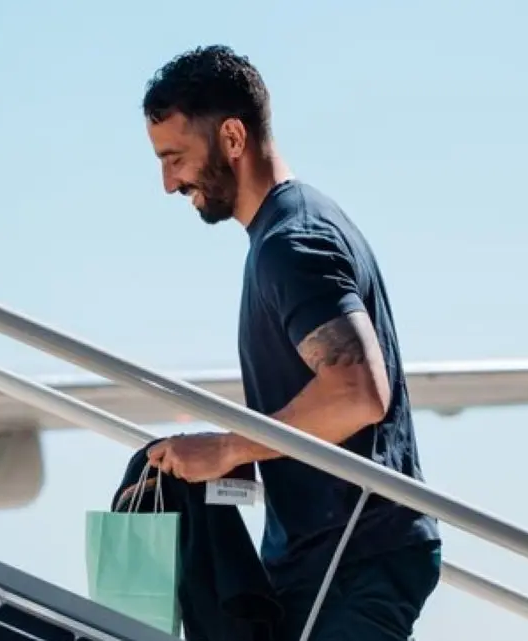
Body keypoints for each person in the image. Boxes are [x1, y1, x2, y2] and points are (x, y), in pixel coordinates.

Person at [141, 45, 443, 640]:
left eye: (175, 158)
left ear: (233, 137)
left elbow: (358, 392)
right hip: (327, 560)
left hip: (352, 561)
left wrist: (228, 449)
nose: (169, 183)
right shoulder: (289, 229)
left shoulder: (291, 243)